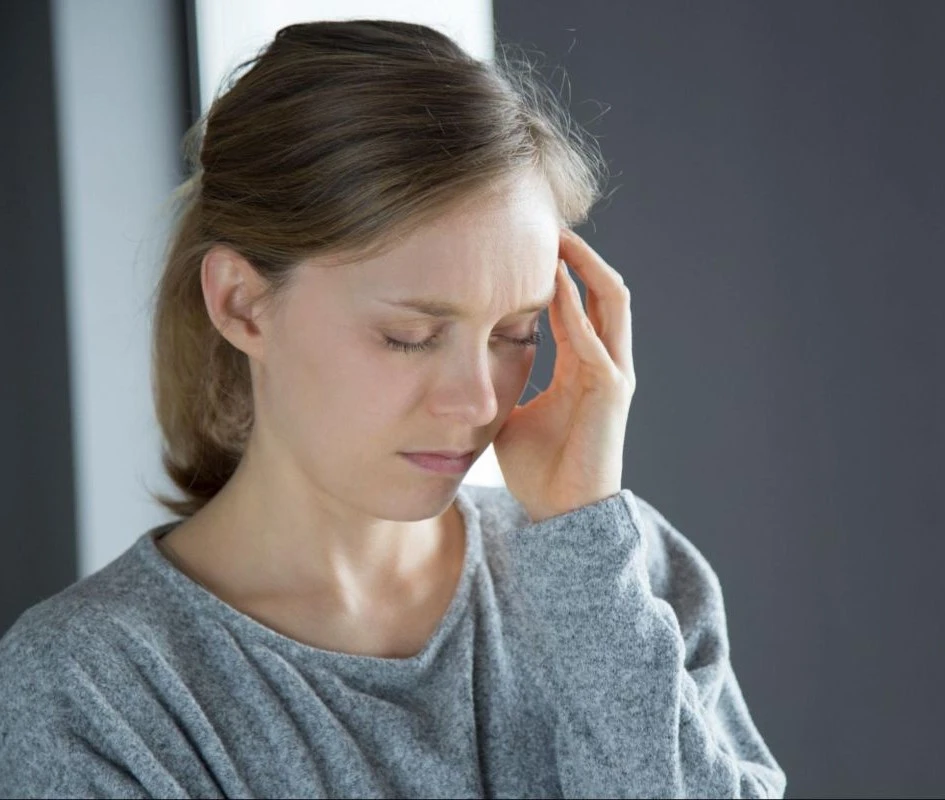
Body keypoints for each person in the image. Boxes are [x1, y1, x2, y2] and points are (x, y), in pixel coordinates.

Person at [0, 19, 786, 799]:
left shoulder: (625, 571)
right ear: (242, 304)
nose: (478, 403)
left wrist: (585, 556)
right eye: (409, 336)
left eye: (515, 333)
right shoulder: (91, 688)